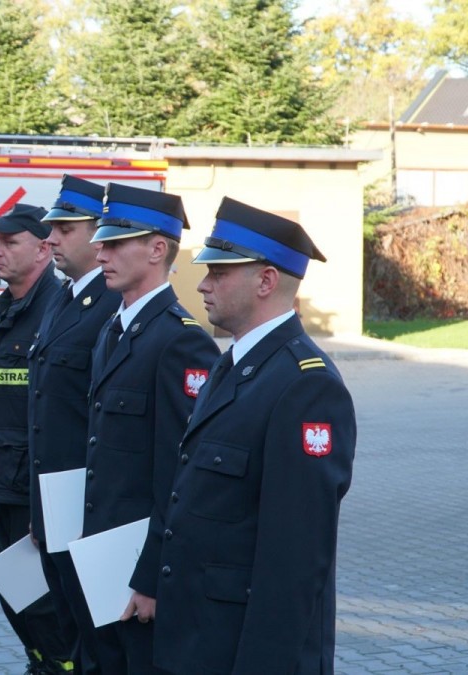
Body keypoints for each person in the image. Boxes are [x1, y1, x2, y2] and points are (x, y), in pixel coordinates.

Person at [153, 198, 356, 674]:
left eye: (219, 273)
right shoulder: (235, 365)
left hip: (244, 651)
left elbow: (295, 559)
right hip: (199, 637)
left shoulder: (306, 386)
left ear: (266, 281)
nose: (202, 284)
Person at [83, 184, 219, 674]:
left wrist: (152, 576)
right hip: (102, 558)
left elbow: (182, 476)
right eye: (101, 241)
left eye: (116, 242)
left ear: (157, 249)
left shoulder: (180, 343)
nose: (100, 252)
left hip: (141, 569)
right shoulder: (112, 329)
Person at [26, 175, 122, 674]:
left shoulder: (111, 306)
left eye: (65, 228)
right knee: (70, 631)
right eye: (51, 229)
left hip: (86, 505)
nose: (52, 239)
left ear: (98, 232)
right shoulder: (63, 298)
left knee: (96, 638)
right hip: (53, 502)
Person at [0, 202, 71, 675]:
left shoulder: (59, 314)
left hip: (35, 495)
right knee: (16, 600)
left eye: (9, 242)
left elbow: (58, 418)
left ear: (44, 249)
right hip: (4, 488)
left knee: (46, 608)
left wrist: (42, 504)